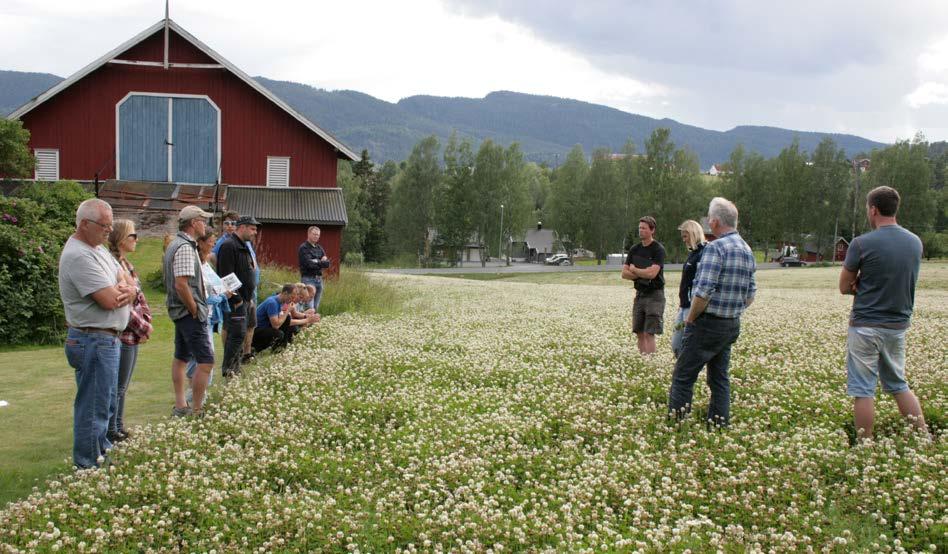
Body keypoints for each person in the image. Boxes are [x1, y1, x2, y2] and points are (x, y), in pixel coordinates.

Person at [838, 186, 928, 441]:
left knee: (863, 390)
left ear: (874, 209)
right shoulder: (914, 242)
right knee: (899, 384)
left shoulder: (861, 244)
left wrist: (860, 286)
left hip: (865, 325)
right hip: (898, 325)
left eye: (868, 209)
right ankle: (923, 438)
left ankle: (865, 445)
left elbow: (844, 286)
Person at [668, 198, 756, 428]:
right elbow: (749, 295)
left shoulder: (716, 248)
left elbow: (703, 292)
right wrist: (731, 309)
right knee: (719, 378)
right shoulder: (747, 250)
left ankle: (677, 426)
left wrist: (690, 318)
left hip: (706, 323)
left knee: (683, 376)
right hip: (731, 324)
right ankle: (718, 424)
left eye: (709, 218)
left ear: (715, 222)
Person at [59, 198, 133, 468]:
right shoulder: (78, 255)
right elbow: (109, 299)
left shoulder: (98, 249)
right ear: (84, 224)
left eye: (110, 225)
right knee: (93, 406)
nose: (109, 231)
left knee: (106, 403)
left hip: (105, 339)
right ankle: (88, 465)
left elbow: (127, 279)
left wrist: (131, 288)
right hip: (93, 339)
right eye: (104, 225)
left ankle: (101, 453)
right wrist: (125, 290)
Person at [163, 205, 215, 417]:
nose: (206, 225)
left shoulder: (176, 244)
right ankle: (196, 409)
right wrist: (194, 309)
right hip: (188, 314)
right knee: (206, 361)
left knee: (181, 357)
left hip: (179, 312)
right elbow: (181, 284)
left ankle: (181, 405)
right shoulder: (185, 247)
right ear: (194, 223)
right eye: (203, 221)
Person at [106, 219, 153, 443]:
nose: (136, 240)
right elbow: (124, 302)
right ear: (121, 239)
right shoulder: (113, 265)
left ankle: (118, 425)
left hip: (133, 333)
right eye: (133, 235)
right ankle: (112, 429)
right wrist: (143, 326)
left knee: (123, 385)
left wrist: (146, 321)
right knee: (118, 385)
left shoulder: (127, 265)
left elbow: (139, 298)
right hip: (125, 333)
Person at [185, 229, 232, 403]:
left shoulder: (206, 264)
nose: (214, 244)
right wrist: (221, 296)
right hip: (200, 315)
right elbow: (201, 293)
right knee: (202, 360)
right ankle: (193, 398)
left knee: (204, 359)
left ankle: (196, 397)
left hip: (209, 316)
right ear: (202, 243)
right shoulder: (196, 264)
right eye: (211, 241)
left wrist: (224, 292)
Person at [211, 211, 260, 365]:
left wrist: (249, 298)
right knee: (235, 335)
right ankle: (230, 370)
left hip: (246, 298)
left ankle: (236, 367)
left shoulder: (244, 246)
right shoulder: (228, 245)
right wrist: (237, 299)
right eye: (252, 229)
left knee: (241, 333)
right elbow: (226, 276)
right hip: (235, 301)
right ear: (243, 227)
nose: (255, 232)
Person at [621, 216, 666, 354]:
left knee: (649, 332)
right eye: (639, 228)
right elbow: (624, 273)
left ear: (652, 230)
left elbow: (652, 274)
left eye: (644, 228)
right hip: (640, 295)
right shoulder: (635, 249)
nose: (640, 231)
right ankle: (643, 360)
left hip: (654, 295)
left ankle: (651, 362)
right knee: (639, 332)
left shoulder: (658, 249)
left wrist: (634, 270)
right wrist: (642, 273)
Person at [671, 220, 707, 358]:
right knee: (676, 344)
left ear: (693, 234)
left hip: (692, 306)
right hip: (684, 306)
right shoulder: (693, 253)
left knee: (687, 345)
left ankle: (685, 374)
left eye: (685, 236)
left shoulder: (703, 253)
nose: (684, 240)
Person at [253, 284, 318, 354]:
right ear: (285, 293)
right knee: (279, 333)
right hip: (257, 330)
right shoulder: (272, 302)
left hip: (265, 327)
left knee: (287, 320)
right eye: (291, 297)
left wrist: (306, 317)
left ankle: (281, 349)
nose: (292, 300)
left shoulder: (281, 302)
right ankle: (258, 349)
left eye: (294, 298)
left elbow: (286, 318)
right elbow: (276, 325)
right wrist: (288, 311)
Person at [298, 226, 331, 312]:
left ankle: (313, 324)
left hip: (319, 279)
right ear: (308, 234)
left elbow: (327, 263)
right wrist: (320, 262)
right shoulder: (303, 248)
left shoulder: (319, 248)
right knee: (309, 307)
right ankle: (305, 324)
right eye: (314, 234)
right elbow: (309, 265)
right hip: (308, 279)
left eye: (318, 235)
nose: (316, 236)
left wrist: (316, 261)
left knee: (316, 307)